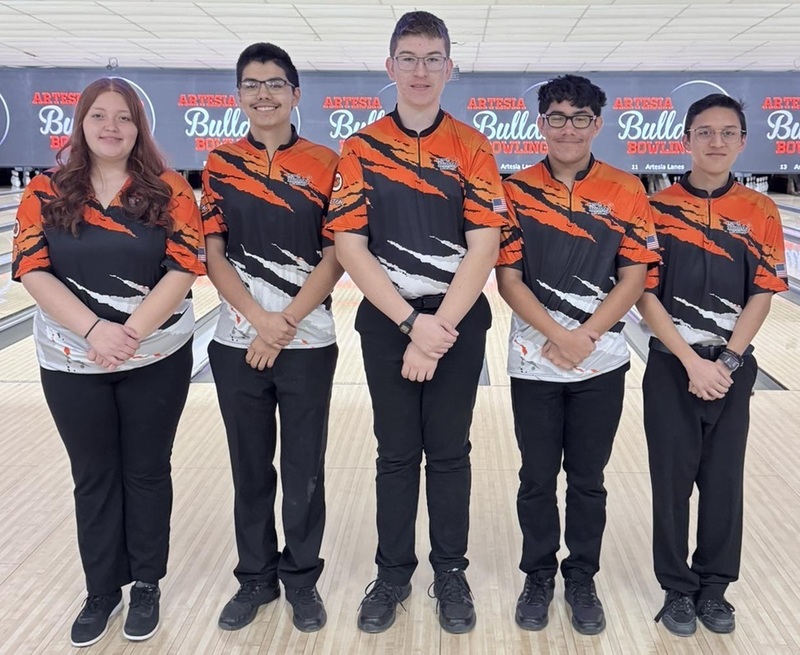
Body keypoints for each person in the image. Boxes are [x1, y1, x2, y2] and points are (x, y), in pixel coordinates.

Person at [326, 11, 506, 635]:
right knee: (397, 454)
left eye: (433, 58)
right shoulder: (360, 148)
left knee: (451, 453)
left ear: (450, 67)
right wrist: (410, 324)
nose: (421, 70)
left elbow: (483, 245)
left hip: (456, 324)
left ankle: (450, 572)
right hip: (388, 323)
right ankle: (394, 573)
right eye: (409, 57)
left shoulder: (474, 146)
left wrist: (437, 330)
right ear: (390, 67)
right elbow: (351, 245)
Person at [11, 77, 206, 648]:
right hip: (71, 356)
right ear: (82, 123)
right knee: (93, 475)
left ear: (138, 126)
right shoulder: (43, 190)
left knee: (146, 469)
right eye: (100, 116)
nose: (112, 127)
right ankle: (102, 590)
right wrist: (95, 329)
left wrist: (132, 333)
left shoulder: (169, 189)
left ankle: (146, 582)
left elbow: (184, 266)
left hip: (156, 355)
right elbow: (31, 268)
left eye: (123, 117)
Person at [495, 74, 660, 635]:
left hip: (603, 359)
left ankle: (581, 575)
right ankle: (539, 574)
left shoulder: (626, 189)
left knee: (588, 478)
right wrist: (558, 336)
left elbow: (634, 274)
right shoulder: (515, 189)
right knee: (537, 478)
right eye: (558, 118)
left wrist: (584, 335)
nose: (569, 128)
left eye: (580, 118)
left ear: (598, 123)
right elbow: (508, 278)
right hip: (532, 357)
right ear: (541, 124)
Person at [201, 43, 342, 634]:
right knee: (250, 468)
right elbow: (212, 253)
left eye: (275, 83)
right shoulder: (218, 164)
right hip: (238, 342)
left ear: (295, 94)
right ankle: (255, 578)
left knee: (305, 468)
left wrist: (281, 325)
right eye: (252, 84)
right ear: (239, 95)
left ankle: (302, 578)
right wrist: (258, 321)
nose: (264, 93)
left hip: (307, 343)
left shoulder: (327, 163)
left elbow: (338, 254)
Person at [637, 94, 788, 637]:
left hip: (732, 366)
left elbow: (765, 291)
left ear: (743, 142)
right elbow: (642, 293)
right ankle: (676, 590)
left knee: (722, 480)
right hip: (670, 364)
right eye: (705, 132)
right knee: (671, 481)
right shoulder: (655, 209)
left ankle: (715, 587)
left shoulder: (762, 210)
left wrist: (726, 359)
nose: (716, 142)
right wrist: (689, 361)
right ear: (686, 140)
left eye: (728, 133)